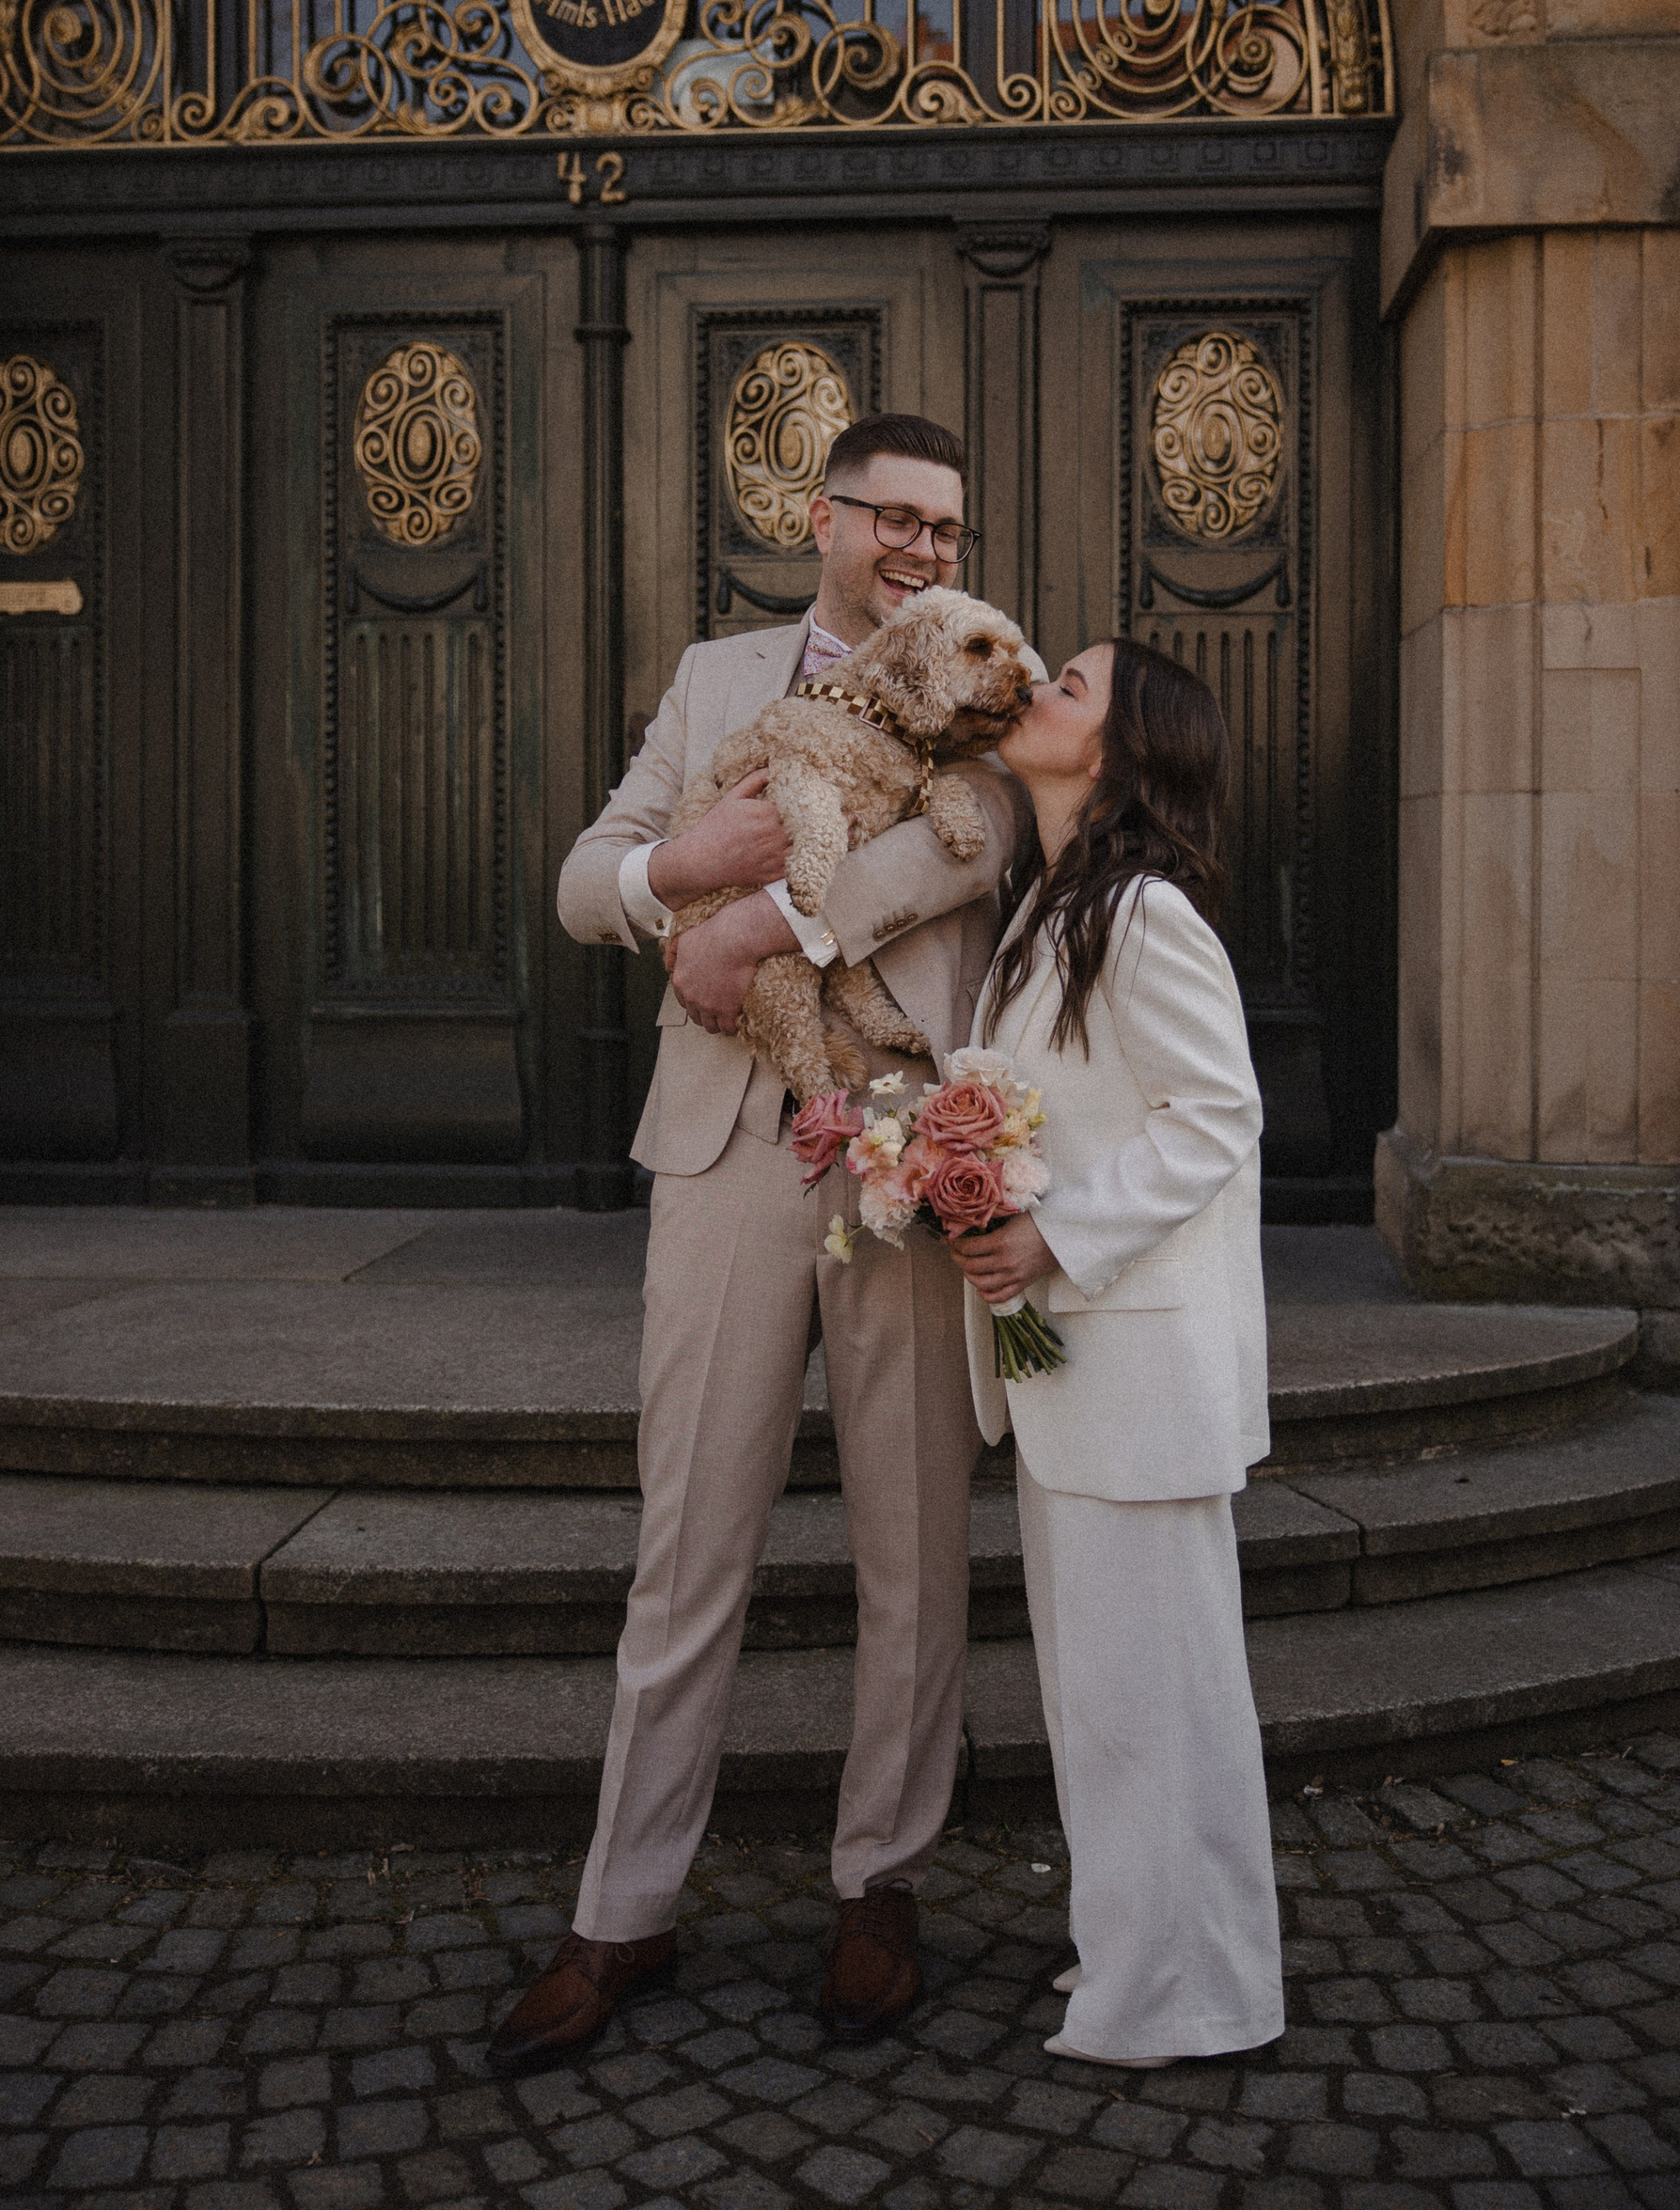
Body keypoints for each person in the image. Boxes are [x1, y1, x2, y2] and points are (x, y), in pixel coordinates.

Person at [488, 415, 1032, 2072]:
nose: (924, 552)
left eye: (945, 528)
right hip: (727, 1149)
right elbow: (586, 879)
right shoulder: (715, 679)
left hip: (908, 1154)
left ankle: (882, 1883)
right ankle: (623, 1910)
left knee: (912, 1547)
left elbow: (968, 847)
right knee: (688, 1542)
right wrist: (681, 871)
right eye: (896, 520)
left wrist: (756, 922)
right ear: (824, 519)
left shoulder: (983, 676)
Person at [950, 638, 1283, 2068]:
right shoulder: (1049, 907)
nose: (1034, 687)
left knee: (1159, 1705)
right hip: (1074, 1382)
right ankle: (1138, 1958)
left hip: (1138, 1375)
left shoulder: (1142, 913)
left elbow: (1217, 1116)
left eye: (1070, 687)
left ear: (1119, 752)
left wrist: (1051, 1238)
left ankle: (1191, 1998)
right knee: (1104, 1701)